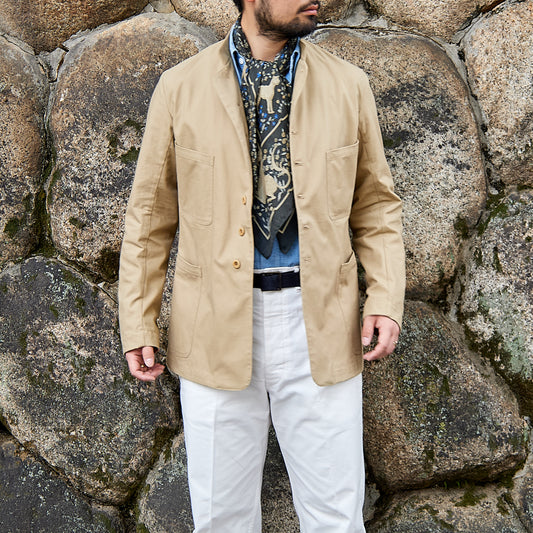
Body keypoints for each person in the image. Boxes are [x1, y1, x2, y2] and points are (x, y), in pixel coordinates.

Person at [118, 0, 405, 531]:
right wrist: (139, 320)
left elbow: (376, 205)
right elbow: (149, 217)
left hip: (323, 320)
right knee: (221, 520)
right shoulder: (180, 88)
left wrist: (385, 298)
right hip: (213, 323)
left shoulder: (348, 86)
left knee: (337, 519)